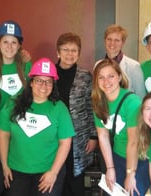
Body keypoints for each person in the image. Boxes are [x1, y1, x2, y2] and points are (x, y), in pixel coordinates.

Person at [0, 57, 76, 196]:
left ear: (53, 84)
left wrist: (53, 173)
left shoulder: (59, 108)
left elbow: (65, 143)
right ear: (31, 82)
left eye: (48, 82)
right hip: (16, 172)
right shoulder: (12, 104)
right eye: (39, 80)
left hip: (47, 172)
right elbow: (4, 135)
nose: (43, 86)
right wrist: (4, 166)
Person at [91, 58, 150, 196]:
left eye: (111, 76)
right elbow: (103, 136)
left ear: (119, 77)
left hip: (138, 160)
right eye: (101, 77)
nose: (106, 81)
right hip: (116, 157)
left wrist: (130, 174)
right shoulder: (99, 103)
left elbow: (133, 142)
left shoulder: (132, 102)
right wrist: (110, 168)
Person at [54, 32, 97, 196]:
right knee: (57, 175)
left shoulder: (85, 76)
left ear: (78, 53)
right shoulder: (49, 75)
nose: (69, 54)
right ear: (58, 52)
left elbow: (91, 106)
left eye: (74, 50)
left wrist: (93, 136)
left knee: (75, 178)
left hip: (79, 137)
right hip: (54, 135)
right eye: (65, 49)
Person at [0, 20, 32, 110]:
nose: (9, 46)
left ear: (19, 45)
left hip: (22, 121)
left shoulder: (27, 66)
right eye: (5, 42)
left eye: (14, 42)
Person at [95, 24, 146, 98]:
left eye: (117, 40)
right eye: (109, 39)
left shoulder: (134, 66)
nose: (112, 43)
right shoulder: (97, 65)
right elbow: (97, 93)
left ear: (123, 43)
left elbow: (141, 97)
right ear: (104, 40)